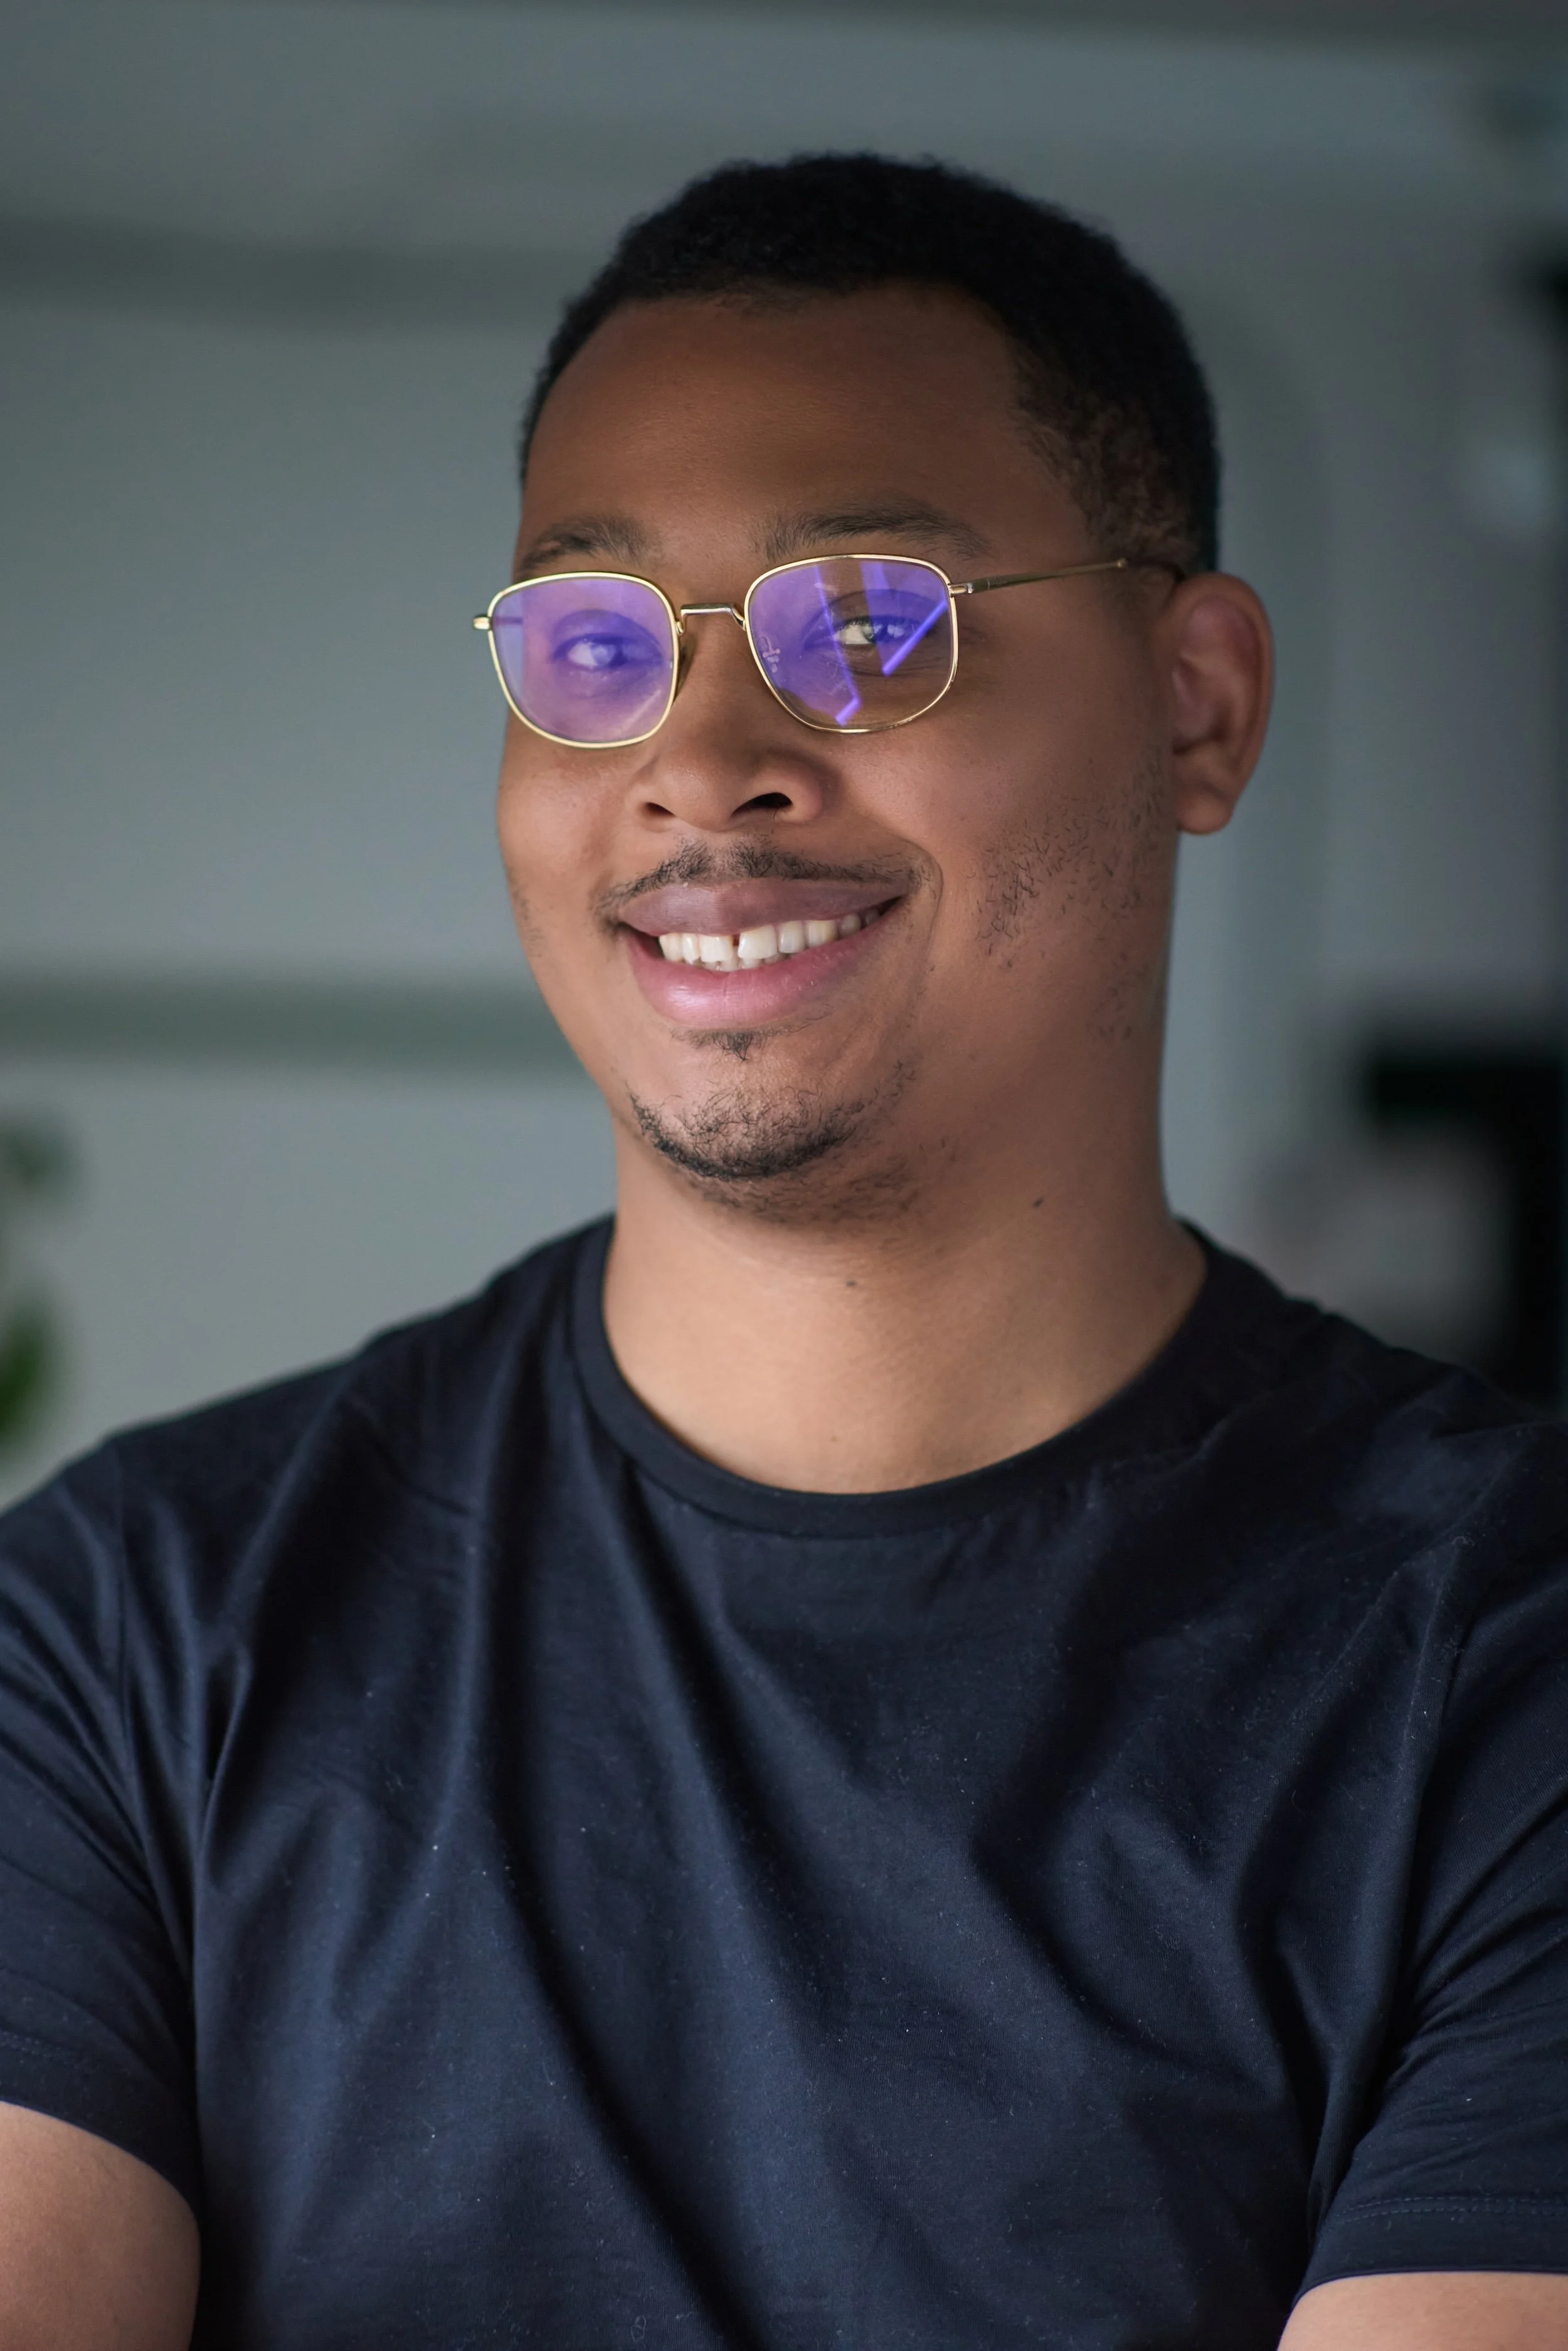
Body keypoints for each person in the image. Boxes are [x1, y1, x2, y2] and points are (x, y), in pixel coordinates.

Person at [1, 152, 1565, 2351]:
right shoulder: (121, 1642)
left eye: (870, 624)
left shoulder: (1498, 1677)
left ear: (1195, 706)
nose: (700, 763)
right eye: (591, 647)